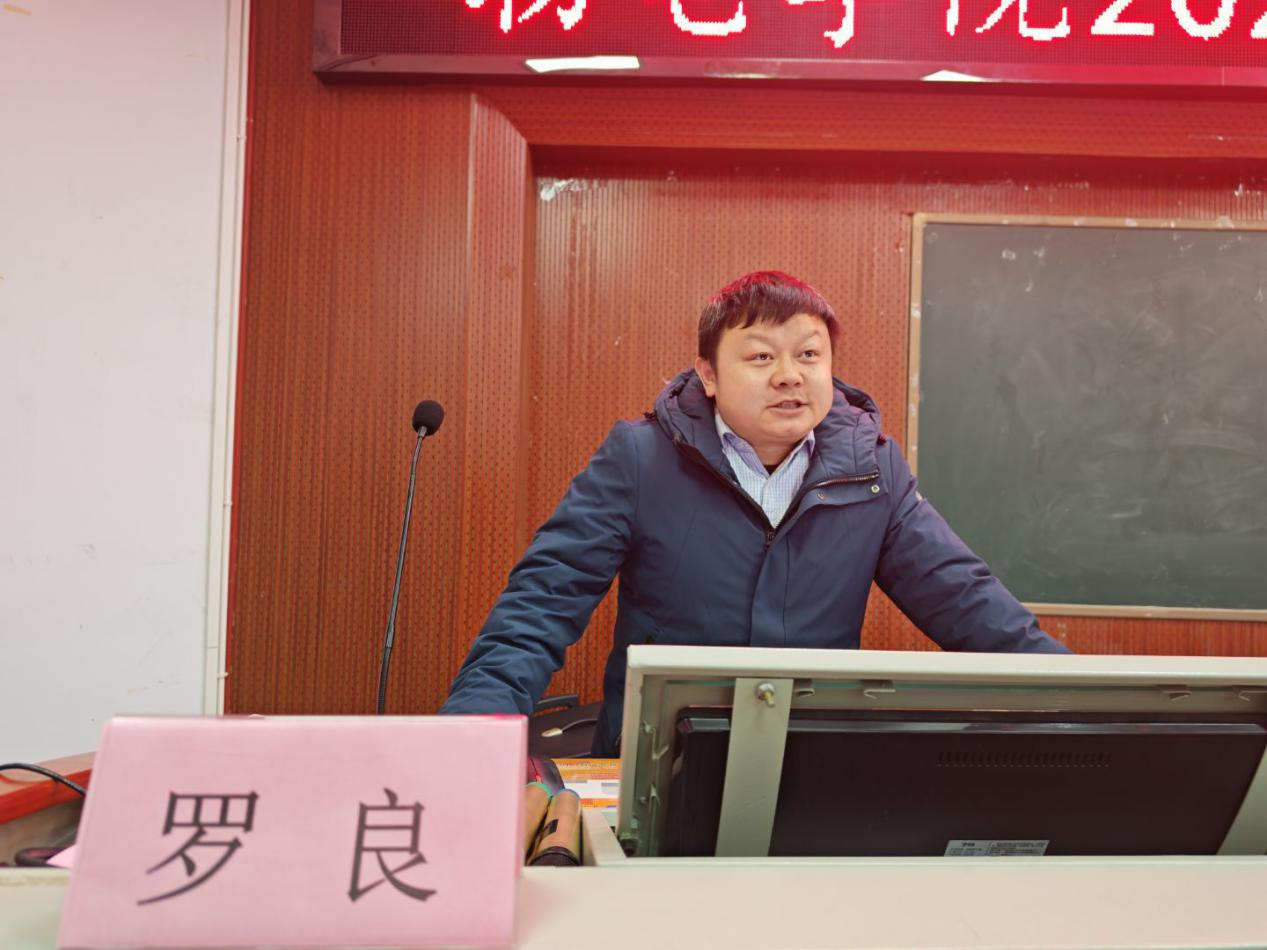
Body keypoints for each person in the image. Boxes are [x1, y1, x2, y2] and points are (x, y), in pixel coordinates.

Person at [441, 271, 1068, 754]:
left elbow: (965, 600)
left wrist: (1088, 703)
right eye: (762, 357)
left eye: (809, 355)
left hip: (813, 768)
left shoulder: (873, 470)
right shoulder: (639, 459)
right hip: (659, 762)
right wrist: (469, 737)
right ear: (708, 374)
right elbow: (541, 605)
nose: (789, 376)